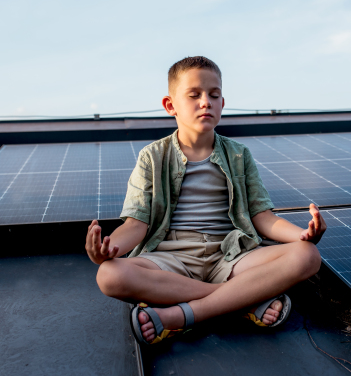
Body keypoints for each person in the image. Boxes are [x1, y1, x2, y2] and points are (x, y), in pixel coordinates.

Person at [85, 56, 326, 345]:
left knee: (307, 255)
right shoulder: (152, 156)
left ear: (222, 104)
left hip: (231, 255)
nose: (205, 102)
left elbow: (263, 217)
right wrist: (108, 249)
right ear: (170, 105)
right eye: (194, 95)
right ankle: (243, 300)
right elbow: (137, 224)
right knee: (109, 275)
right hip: (171, 258)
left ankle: (182, 315)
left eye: (214, 95)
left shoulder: (239, 155)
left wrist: (302, 234)